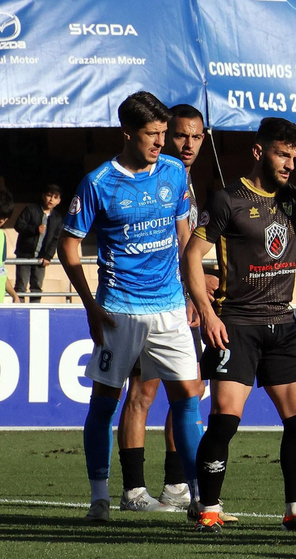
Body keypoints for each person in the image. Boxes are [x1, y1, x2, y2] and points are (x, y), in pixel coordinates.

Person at [183, 116, 296, 534]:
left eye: (295, 156)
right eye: (282, 154)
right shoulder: (228, 199)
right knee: (225, 418)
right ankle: (210, 507)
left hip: (283, 322)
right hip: (236, 323)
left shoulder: (292, 198)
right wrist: (207, 313)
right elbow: (191, 255)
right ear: (259, 152)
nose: (291, 164)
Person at [59, 93, 202, 522]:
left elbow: (182, 236)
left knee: (188, 401)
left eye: (164, 133)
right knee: (104, 403)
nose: (162, 142)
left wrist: (195, 293)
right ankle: (100, 498)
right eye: (153, 134)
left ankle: (200, 498)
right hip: (119, 309)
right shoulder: (99, 182)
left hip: (171, 308)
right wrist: (89, 304)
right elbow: (68, 245)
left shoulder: (175, 173)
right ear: (127, 133)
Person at [116, 104, 212, 516]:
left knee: (189, 391)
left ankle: (176, 485)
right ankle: (134, 491)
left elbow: (186, 244)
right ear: (163, 134)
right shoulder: (155, 174)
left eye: (195, 137)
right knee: (142, 392)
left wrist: (199, 286)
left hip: (177, 300)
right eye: (178, 136)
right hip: (145, 300)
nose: (186, 144)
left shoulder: (184, 179)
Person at [13, 185, 63, 302]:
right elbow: (18, 225)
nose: (51, 199)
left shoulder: (57, 218)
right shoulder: (31, 210)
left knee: (37, 287)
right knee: (21, 286)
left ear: (59, 201)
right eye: (49, 196)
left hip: (41, 259)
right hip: (24, 255)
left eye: (55, 197)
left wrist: (48, 256)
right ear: (43, 196)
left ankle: (35, 310)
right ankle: (19, 311)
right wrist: (35, 229)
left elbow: (56, 239)